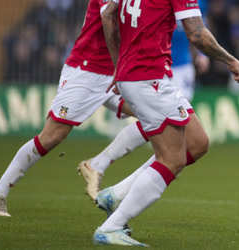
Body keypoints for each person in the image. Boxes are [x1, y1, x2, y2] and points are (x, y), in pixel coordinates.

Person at [93, 0, 239, 246]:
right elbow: (196, 34)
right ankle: (112, 226)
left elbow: (107, 14)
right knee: (173, 158)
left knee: (197, 143)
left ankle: (115, 194)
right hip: (148, 76)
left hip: (141, 74)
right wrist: (233, 61)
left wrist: (118, 64)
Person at [0, 0, 150, 217]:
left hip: (115, 74)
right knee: (51, 137)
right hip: (87, 72)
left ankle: (96, 165)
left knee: (154, 116)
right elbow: (114, 17)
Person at [77, 13, 209, 201]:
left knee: (171, 121)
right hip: (142, 68)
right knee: (166, 120)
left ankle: (105, 169)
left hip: (171, 67)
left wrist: (202, 54)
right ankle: (107, 169)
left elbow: (197, 26)